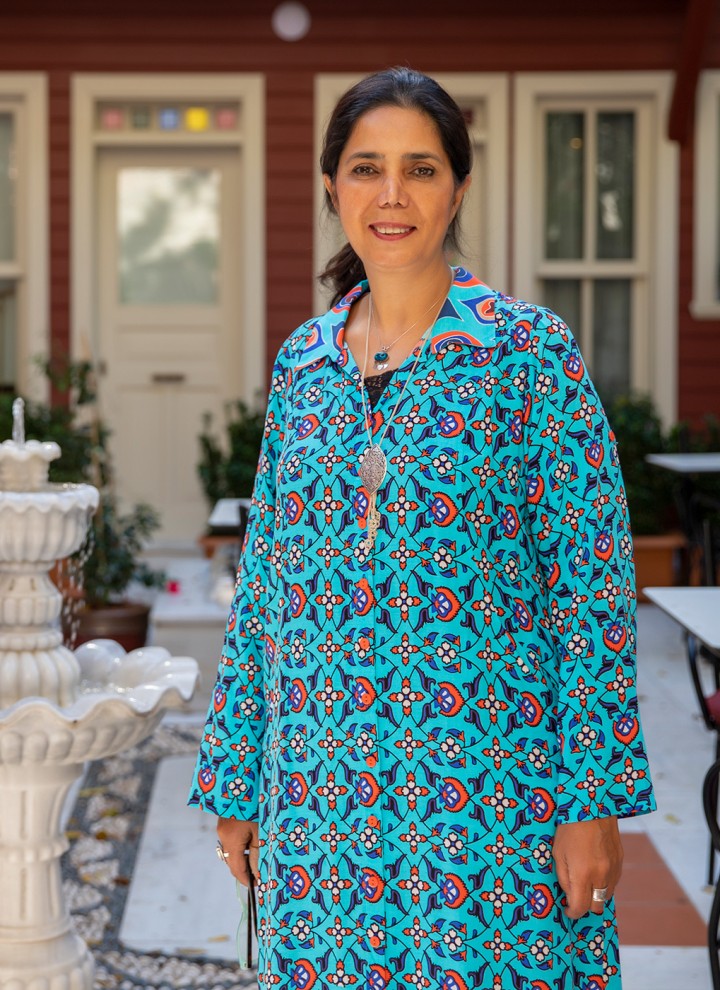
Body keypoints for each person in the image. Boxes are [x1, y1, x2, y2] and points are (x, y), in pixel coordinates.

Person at [189, 66, 655, 990]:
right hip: (322, 806)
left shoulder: (527, 355)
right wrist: (235, 784)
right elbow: (267, 591)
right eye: (366, 169)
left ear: (459, 189)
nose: (391, 195)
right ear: (332, 188)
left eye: (421, 169)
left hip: (491, 803)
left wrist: (593, 803)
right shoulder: (304, 367)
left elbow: (591, 589)